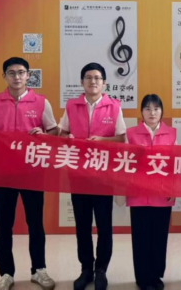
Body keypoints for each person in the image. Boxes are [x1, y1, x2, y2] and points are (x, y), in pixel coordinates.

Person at [0, 57, 58, 290]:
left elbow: (54, 131)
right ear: (4, 76)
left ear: (28, 75)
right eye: (11, 73)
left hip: (32, 172)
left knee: (35, 223)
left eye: (21, 72)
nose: (17, 77)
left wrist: (43, 134)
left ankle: (39, 270)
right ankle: (6, 273)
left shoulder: (41, 102)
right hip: (4, 173)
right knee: (4, 225)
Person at [58, 62, 127, 290]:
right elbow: (62, 132)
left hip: (103, 175)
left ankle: (101, 270)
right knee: (82, 225)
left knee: (104, 225)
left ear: (104, 83)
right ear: (82, 82)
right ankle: (86, 269)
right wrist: (67, 137)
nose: (93, 81)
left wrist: (102, 140)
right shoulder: (72, 105)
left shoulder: (114, 107)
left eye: (97, 78)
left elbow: (122, 138)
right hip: (78, 174)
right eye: (88, 77)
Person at [126, 94, 177, 290]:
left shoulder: (171, 133)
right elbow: (125, 162)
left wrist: (174, 187)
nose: (152, 113)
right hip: (138, 194)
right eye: (147, 109)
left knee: (159, 236)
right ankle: (142, 278)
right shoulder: (131, 133)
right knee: (140, 237)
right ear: (141, 112)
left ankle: (156, 275)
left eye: (156, 108)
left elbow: (175, 163)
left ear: (162, 111)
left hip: (162, 194)